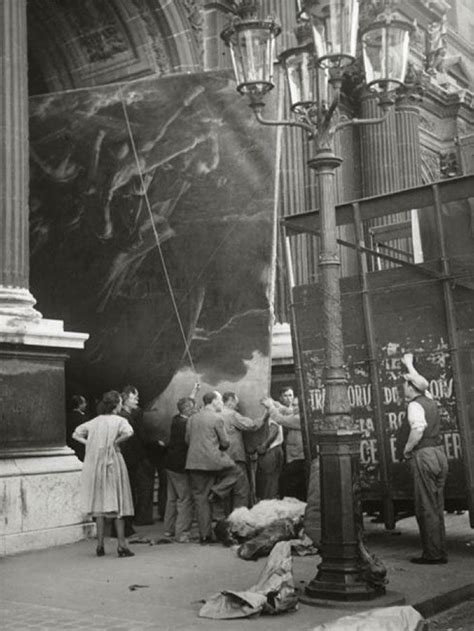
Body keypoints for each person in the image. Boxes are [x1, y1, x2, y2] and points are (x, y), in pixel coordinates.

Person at [72, 390, 135, 557]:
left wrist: (91, 444)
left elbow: (76, 433)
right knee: (118, 503)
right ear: (116, 404)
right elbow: (129, 432)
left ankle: (100, 546)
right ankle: (122, 545)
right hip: (113, 461)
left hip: (96, 463)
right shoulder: (120, 420)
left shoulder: (94, 421)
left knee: (99, 505)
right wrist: (116, 442)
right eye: (120, 402)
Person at [401, 353, 448, 565]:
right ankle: (439, 550)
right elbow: (421, 383)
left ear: (411, 388)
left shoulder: (414, 405)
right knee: (437, 505)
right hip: (439, 454)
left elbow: (418, 429)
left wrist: (407, 449)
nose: (403, 388)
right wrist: (409, 365)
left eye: (405, 384)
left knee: (426, 507)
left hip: (424, 455)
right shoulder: (428, 399)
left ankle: (433, 555)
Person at [185, 391, 244, 544]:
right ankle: (217, 492)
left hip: (193, 462)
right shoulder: (217, 418)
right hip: (213, 462)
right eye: (219, 400)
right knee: (236, 472)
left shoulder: (192, 418)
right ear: (213, 401)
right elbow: (225, 442)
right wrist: (219, 449)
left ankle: (205, 536)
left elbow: (187, 439)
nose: (221, 403)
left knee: (200, 499)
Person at [262, 386, 307, 501]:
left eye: (297, 405)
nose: (294, 406)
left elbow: (280, 419)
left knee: (287, 481)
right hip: (295, 454)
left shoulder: (299, 418)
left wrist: (271, 406)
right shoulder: (298, 413)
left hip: (298, 456)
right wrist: (274, 403)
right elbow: (287, 410)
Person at [119, 385, 155, 528]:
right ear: (126, 399)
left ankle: (135, 518)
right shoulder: (124, 417)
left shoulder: (129, 415)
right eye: (135, 397)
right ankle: (138, 518)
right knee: (140, 487)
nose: (137, 400)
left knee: (136, 488)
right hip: (132, 458)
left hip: (134, 457)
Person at [221, 392, 264, 509]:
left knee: (225, 490)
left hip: (220, 458)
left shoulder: (216, 413)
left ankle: (225, 519)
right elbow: (251, 425)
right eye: (236, 403)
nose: (237, 406)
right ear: (230, 400)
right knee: (241, 490)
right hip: (235, 457)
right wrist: (264, 416)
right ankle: (239, 518)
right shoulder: (231, 414)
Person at [162, 396, 196, 542]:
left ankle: (168, 530)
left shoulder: (176, 419)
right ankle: (182, 533)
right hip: (180, 465)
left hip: (170, 464)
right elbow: (190, 441)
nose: (195, 410)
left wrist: (193, 393)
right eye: (192, 407)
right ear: (187, 409)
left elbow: (185, 406)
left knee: (172, 498)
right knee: (185, 499)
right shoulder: (185, 424)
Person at [66, 395, 90, 461]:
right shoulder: (83, 418)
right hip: (81, 446)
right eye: (84, 402)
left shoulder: (67, 416)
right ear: (79, 404)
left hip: (70, 444)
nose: (85, 404)